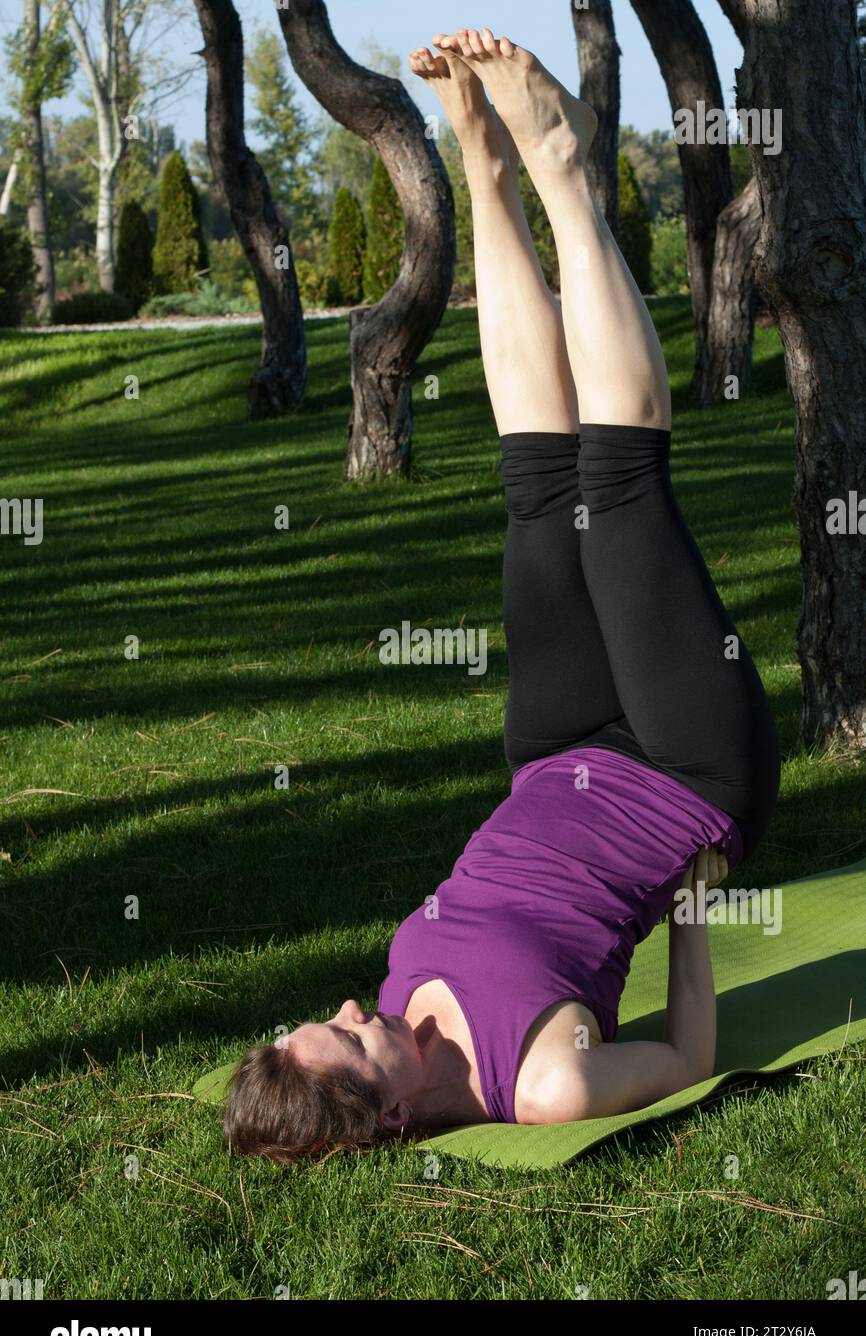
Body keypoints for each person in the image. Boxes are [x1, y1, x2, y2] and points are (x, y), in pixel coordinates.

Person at [222, 29, 780, 1164]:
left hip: (555, 747)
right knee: (615, 488)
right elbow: (683, 1058)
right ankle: (563, 170)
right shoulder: (545, 1078)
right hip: (686, 777)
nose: (344, 1007)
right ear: (387, 1113)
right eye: (346, 1040)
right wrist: (689, 906)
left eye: (319, 1023)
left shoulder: (389, 998)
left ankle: (481, 165)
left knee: (535, 489)